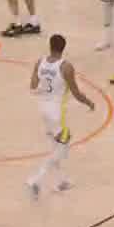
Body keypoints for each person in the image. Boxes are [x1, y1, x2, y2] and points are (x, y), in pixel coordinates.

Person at [27, 34, 98, 198]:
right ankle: (36, 179)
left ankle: (61, 181)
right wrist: (89, 103)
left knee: (56, 146)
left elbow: (33, 86)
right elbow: (76, 93)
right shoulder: (66, 67)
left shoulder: (40, 62)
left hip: (43, 108)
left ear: (50, 45)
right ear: (64, 48)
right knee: (62, 147)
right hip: (57, 112)